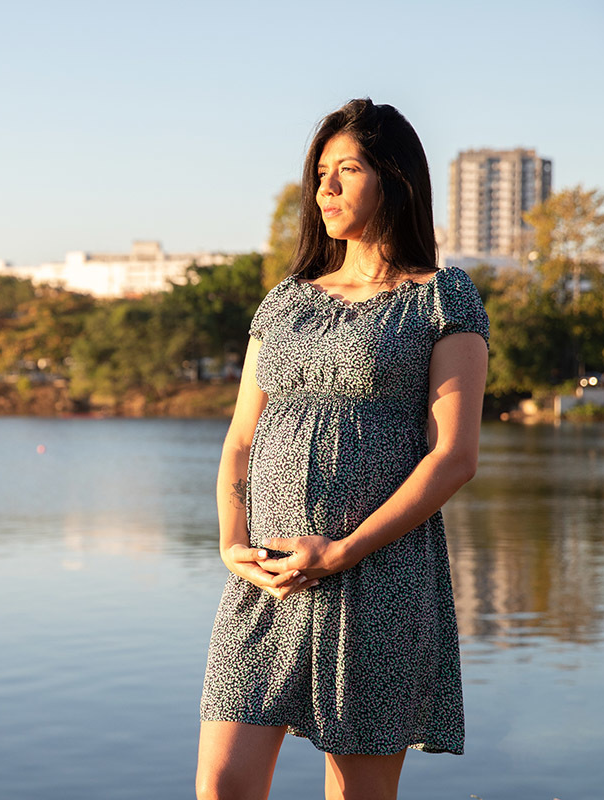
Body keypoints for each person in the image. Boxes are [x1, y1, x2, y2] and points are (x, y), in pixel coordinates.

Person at [196, 98, 490, 800]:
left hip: (378, 579)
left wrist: (342, 550)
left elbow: (454, 456)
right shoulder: (284, 301)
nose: (324, 188)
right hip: (267, 578)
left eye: (347, 170)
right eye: (320, 172)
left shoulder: (442, 299)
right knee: (221, 786)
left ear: (395, 178)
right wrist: (231, 542)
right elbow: (241, 439)